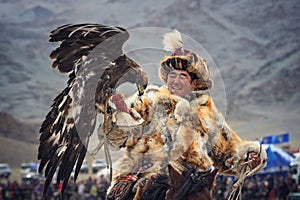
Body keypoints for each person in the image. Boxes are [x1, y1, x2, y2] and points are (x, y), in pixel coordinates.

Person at [102, 30, 267, 199]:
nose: (175, 80)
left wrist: (249, 158)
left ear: (193, 83)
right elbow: (120, 136)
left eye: (182, 76)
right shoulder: (149, 101)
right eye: (172, 75)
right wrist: (120, 113)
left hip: (192, 185)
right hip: (148, 179)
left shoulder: (206, 113)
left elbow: (229, 153)